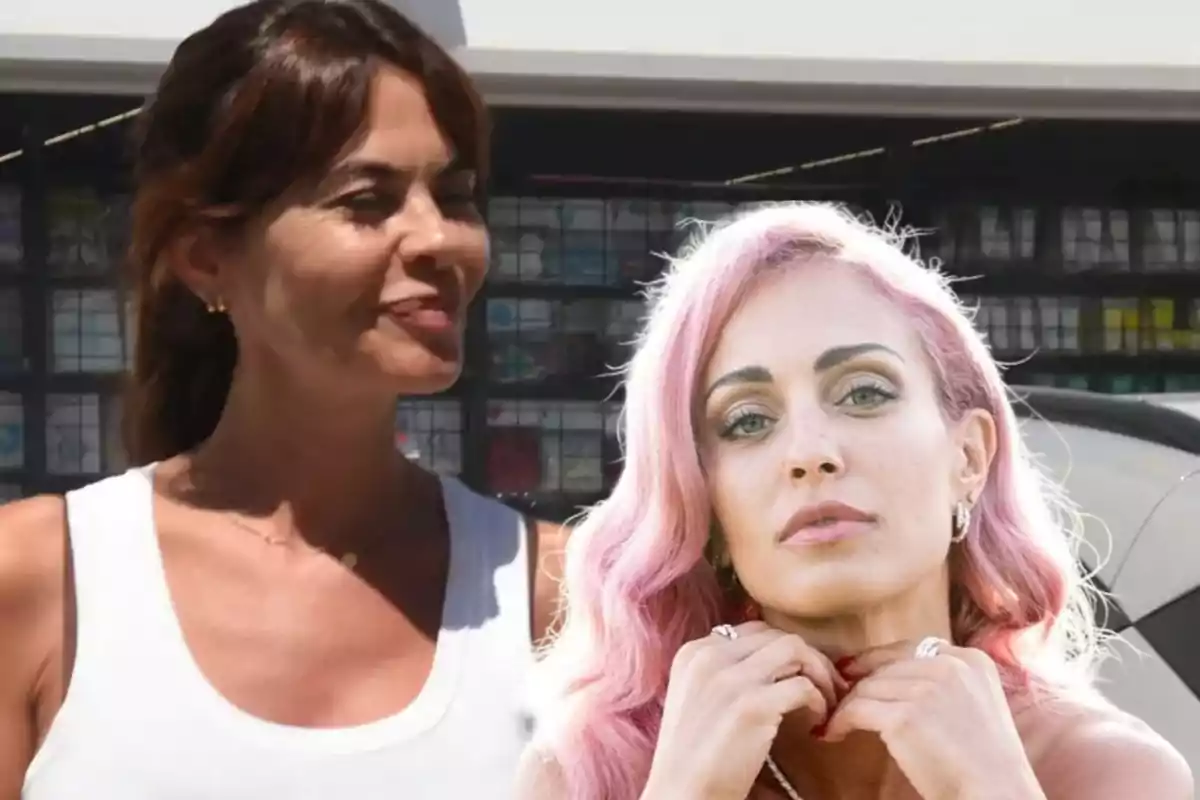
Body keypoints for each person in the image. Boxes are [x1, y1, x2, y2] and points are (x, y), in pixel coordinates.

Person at [0, 1, 566, 798]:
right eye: (366, 200)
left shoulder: (557, 598)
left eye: (456, 194)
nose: (439, 237)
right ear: (205, 258)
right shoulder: (38, 580)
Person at [516, 203, 1194, 800]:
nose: (810, 452)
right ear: (703, 505)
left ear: (968, 456)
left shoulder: (1107, 773)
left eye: (864, 392)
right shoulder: (588, 775)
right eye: (746, 420)